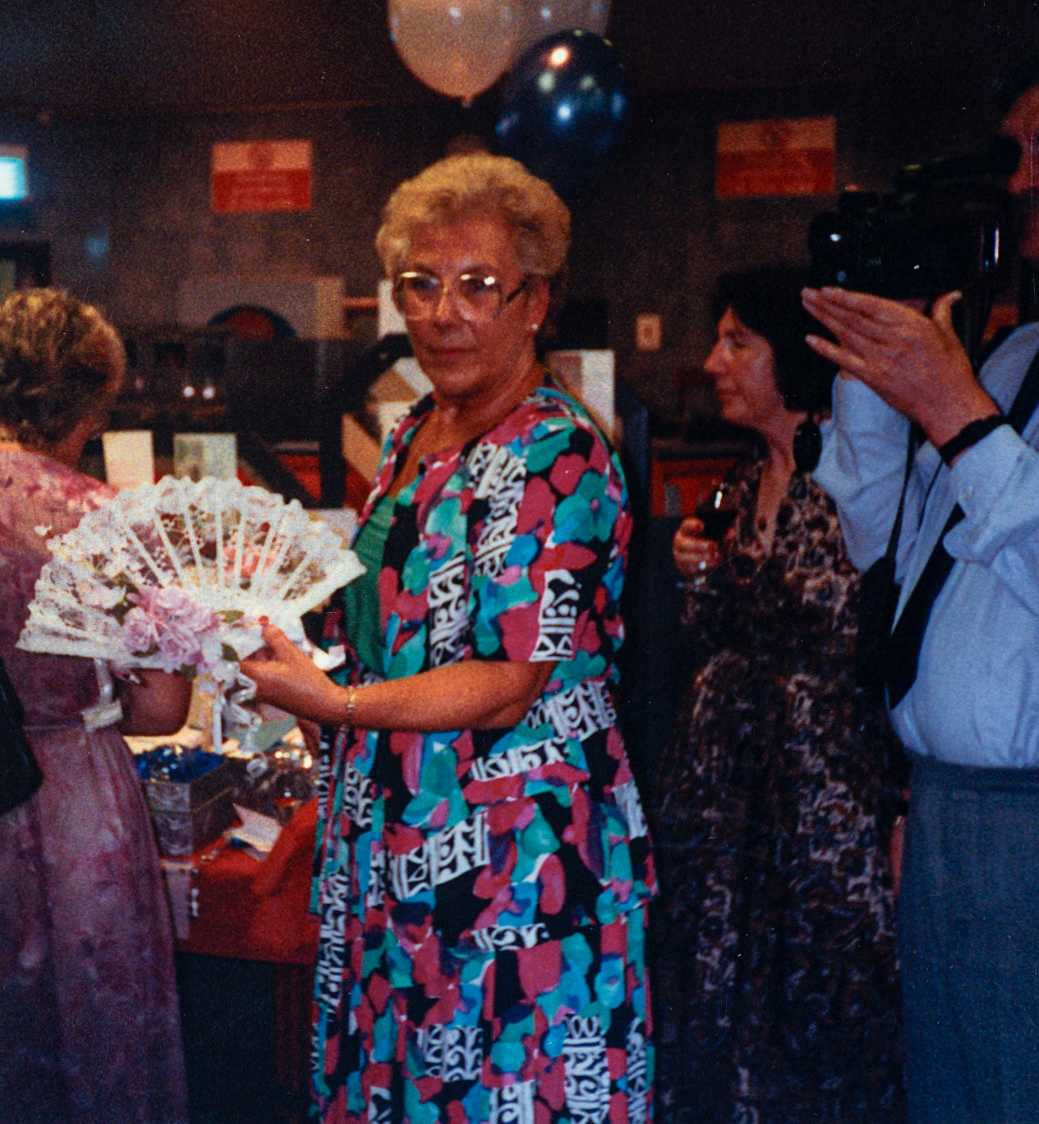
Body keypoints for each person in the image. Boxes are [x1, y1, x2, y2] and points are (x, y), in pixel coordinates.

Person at [241, 152, 655, 1124]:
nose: (443, 313)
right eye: (420, 285)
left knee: (498, 1087)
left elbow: (509, 679)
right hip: (395, 825)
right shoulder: (415, 428)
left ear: (535, 301)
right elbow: (395, 621)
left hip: (512, 848)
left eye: (477, 285)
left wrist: (339, 703)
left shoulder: (557, 449)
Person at [804, 34, 1039, 1124]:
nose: (1023, 179)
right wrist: (877, 371)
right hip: (952, 813)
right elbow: (884, 552)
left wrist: (952, 409)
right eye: (1013, 153)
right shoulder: (1009, 361)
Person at [652, 271, 906, 1124]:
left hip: (824, 802)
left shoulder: (861, 473)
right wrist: (696, 568)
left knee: (823, 1002)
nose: (712, 362)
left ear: (792, 356)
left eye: (738, 343)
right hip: (727, 806)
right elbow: (714, 627)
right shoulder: (738, 478)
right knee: (718, 1001)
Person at [0, 289, 192, 1123]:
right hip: (73, 799)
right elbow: (163, 710)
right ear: (90, 406)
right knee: (92, 1030)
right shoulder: (112, 522)